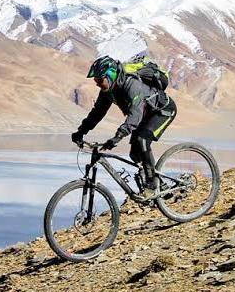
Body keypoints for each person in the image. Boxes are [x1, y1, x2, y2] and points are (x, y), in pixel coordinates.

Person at [71, 55, 177, 199]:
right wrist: (81, 131)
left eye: (99, 80)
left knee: (142, 140)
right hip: (145, 116)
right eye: (95, 81)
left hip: (163, 111)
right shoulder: (107, 92)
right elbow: (97, 113)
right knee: (134, 154)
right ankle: (161, 185)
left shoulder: (131, 84)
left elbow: (135, 114)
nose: (97, 84)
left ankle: (152, 185)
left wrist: (118, 136)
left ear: (110, 75)